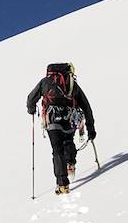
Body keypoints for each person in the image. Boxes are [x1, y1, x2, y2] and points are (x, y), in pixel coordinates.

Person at [26, 62, 96, 195]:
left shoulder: (45, 82)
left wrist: (31, 110)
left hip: (52, 119)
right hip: (70, 118)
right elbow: (86, 105)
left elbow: (30, 99)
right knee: (68, 141)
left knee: (57, 150)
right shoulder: (71, 83)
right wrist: (90, 128)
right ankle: (70, 162)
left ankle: (63, 185)